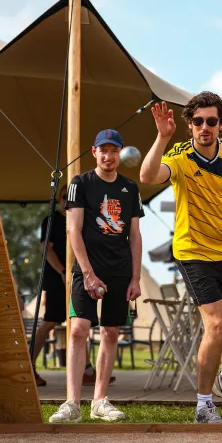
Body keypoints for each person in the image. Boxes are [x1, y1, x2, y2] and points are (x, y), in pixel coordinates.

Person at [140, 92, 222, 424]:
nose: (205, 127)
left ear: (221, 124)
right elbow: (147, 177)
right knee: (217, 324)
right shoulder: (179, 156)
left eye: (211, 121)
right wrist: (162, 138)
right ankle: (203, 406)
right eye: (198, 121)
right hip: (193, 252)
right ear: (190, 126)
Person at [48, 129, 144, 423]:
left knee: (111, 332)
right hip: (85, 270)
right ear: (94, 152)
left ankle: (100, 400)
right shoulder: (80, 184)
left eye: (114, 150)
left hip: (119, 271)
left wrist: (135, 278)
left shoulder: (130, 188)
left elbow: (136, 236)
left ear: (120, 153)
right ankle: (72, 403)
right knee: (77, 330)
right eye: (103, 150)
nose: (109, 156)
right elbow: (72, 230)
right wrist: (88, 274)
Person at [32, 187, 113, 387]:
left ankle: (86, 370)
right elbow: (46, 250)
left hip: (76, 277)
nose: (68, 201)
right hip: (57, 278)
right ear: (59, 200)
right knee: (49, 323)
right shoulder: (52, 220)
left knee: (79, 321)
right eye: (65, 197)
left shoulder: (82, 220)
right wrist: (61, 272)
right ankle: (28, 368)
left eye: (73, 198)